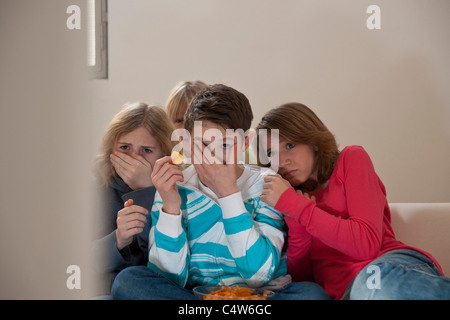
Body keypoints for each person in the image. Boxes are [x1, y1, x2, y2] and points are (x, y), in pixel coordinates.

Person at [111, 85, 329, 300]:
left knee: (311, 294)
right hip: (196, 295)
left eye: (224, 145)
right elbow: (169, 279)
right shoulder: (174, 189)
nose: (211, 157)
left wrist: (229, 195)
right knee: (128, 281)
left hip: (260, 296)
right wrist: (170, 208)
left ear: (245, 143)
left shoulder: (268, 184)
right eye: (202, 145)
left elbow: (258, 275)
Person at [256, 102, 450, 300]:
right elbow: (303, 278)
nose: (281, 161)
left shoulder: (351, 158)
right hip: (347, 294)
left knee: (371, 285)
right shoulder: (287, 199)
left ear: (313, 141)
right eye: (271, 153)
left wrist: (299, 208)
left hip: (387, 268)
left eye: (290, 145)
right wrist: (295, 220)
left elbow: (366, 244)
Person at [91, 102, 175, 295]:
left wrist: (146, 191)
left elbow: (166, 265)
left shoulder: (175, 193)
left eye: (146, 150)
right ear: (111, 149)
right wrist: (118, 239)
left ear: (165, 155)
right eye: (125, 147)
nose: (134, 159)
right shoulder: (94, 190)